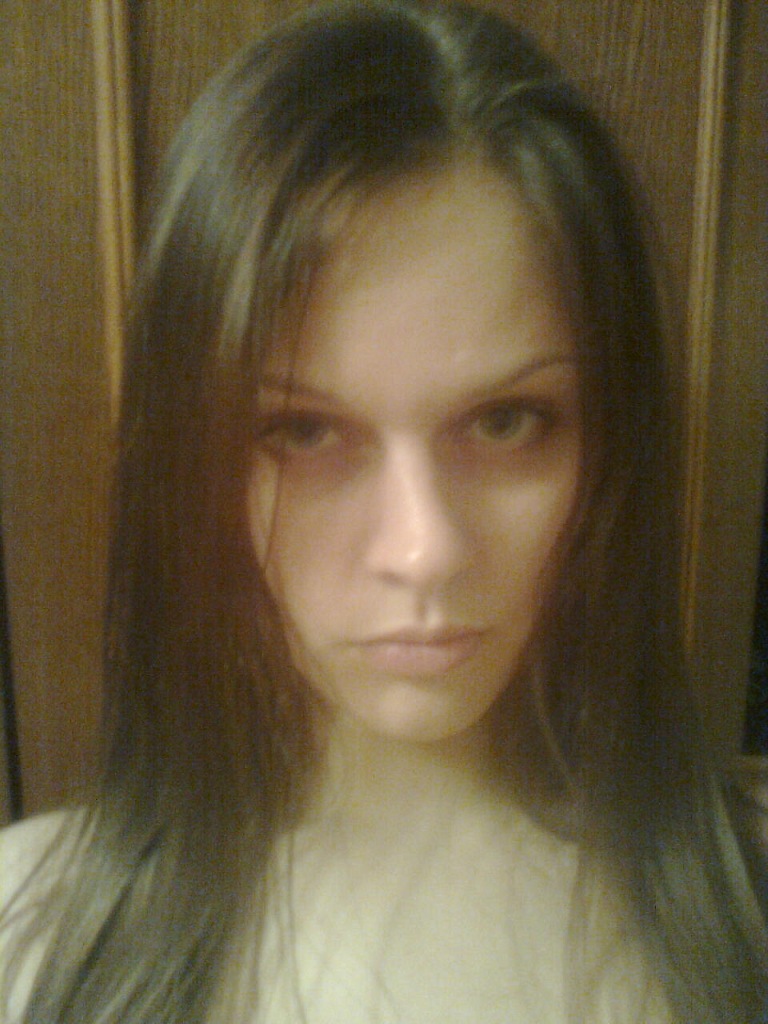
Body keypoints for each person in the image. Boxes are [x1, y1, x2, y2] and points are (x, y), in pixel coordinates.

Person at [1, 1, 766, 1021]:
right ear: (191, 456)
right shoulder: (27, 931)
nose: (425, 550)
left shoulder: (742, 901)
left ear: (610, 435)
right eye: (303, 432)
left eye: (506, 422)